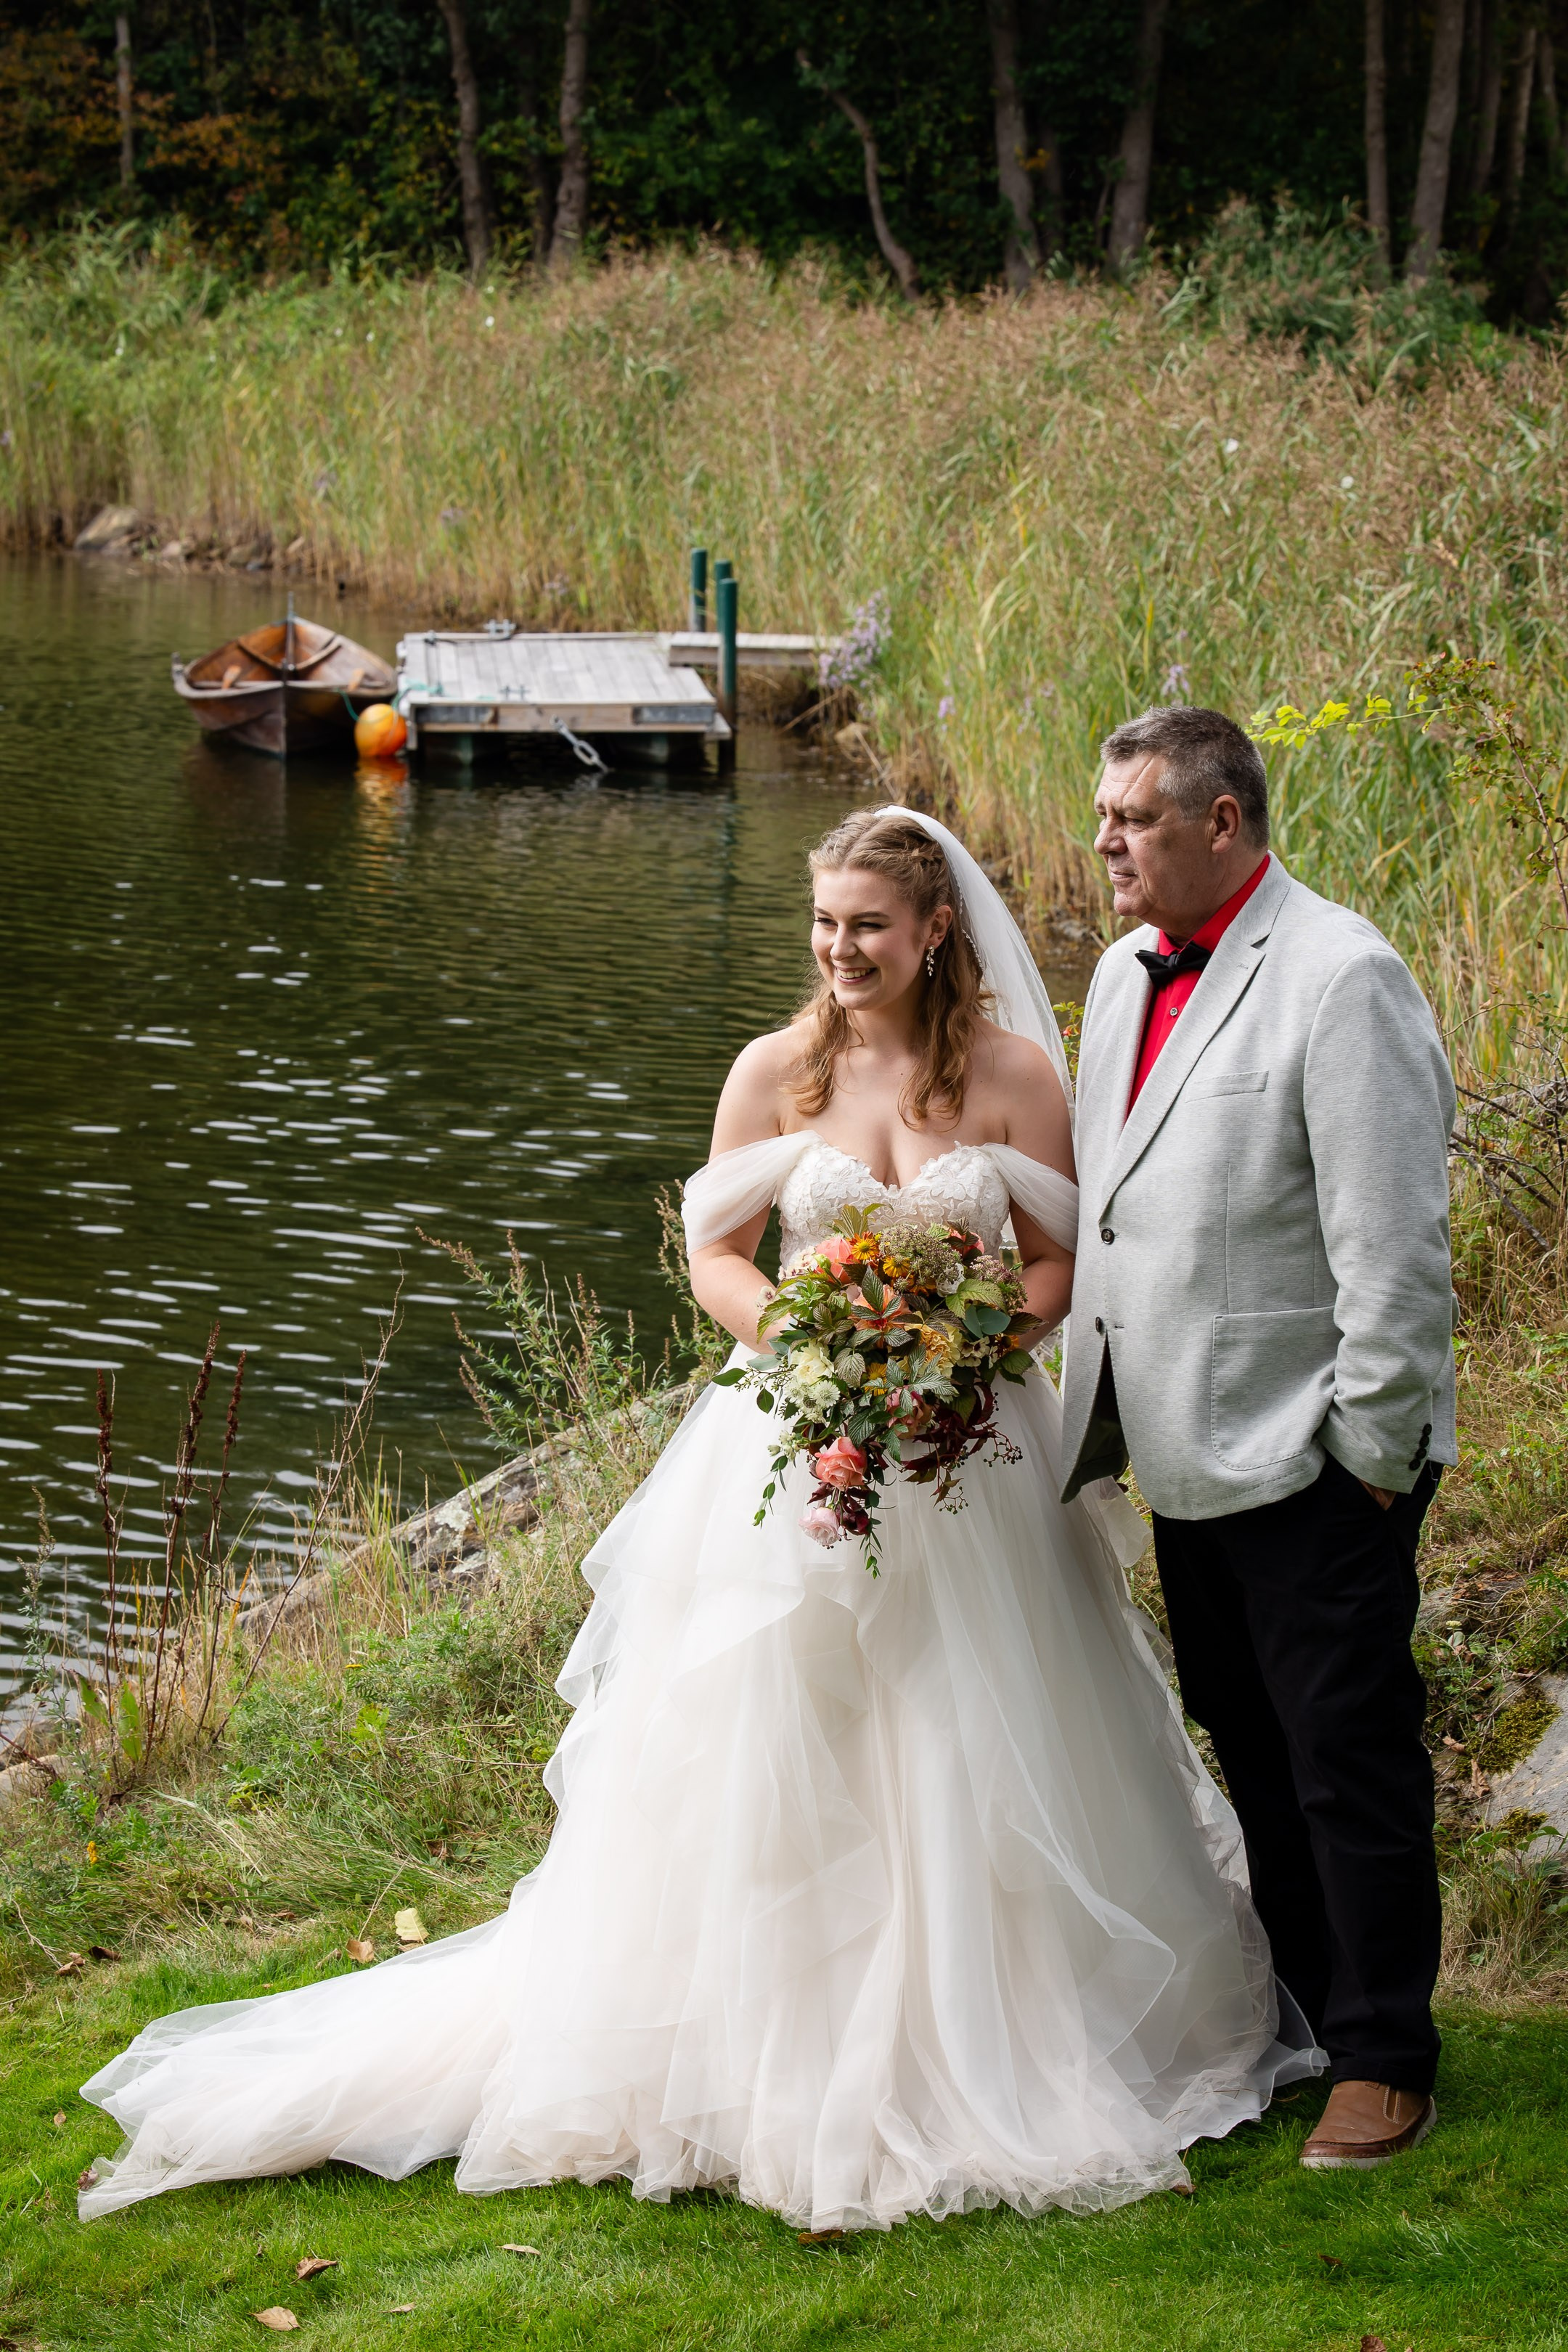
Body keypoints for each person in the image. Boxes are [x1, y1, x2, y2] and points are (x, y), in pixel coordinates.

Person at [78, 806, 1318, 2233]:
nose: (841, 950)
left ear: (933, 932)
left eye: (869, 925)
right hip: (792, 1447)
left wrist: (960, 1350)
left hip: (968, 1456)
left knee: (981, 1729)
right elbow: (715, 1253)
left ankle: (1005, 2025)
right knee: (782, 1735)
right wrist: (815, 1342)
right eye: (824, 923)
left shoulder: (1016, 1079)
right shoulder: (774, 1074)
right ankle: (759, 2041)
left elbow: (1050, 1269)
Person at [1061, 706, 1456, 2171]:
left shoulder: (1342, 978)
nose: (1106, 840)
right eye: (1105, 816)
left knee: (1346, 1754)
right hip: (1181, 1448)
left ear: (1224, 822)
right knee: (1251, 1739)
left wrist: (1371, 1456)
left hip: (1314, 1458)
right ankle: (1304, 2010)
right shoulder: (1119, 975)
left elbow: (1396, 1251)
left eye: (1135, 819)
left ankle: (1386, 2058)